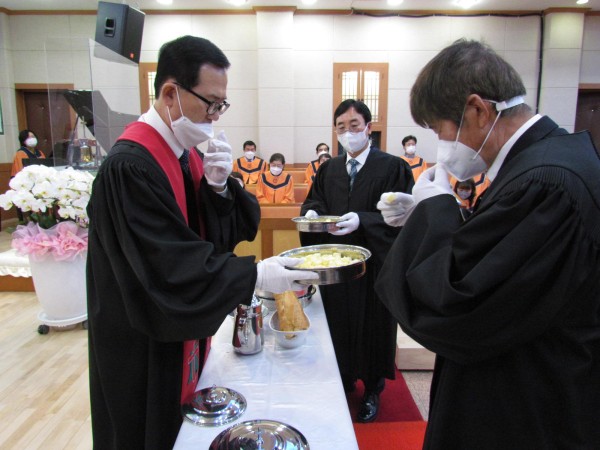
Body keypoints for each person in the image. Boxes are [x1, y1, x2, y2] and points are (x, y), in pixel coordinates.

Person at [86, 35, 316, 450]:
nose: (215, 116)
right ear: (170, 93)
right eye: (210, 103)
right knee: (148, 427)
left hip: (176, 330)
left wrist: (219, 189)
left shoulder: (186, 154)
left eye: (221, 105)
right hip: (142, 335)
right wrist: (254, 275)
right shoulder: (130, 166)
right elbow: (166, 264)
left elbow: (212, 234)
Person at [375, 39, 600, 448]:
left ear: (478, 110)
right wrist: (432, 217)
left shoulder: (546, 184)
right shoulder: (545, 160)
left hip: (526, 405)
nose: (440, 145)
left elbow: (461, 303)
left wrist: (435, 212)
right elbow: (505, 259)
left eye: (439, 129)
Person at [300, 99, 414, 423]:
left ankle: (372, 389)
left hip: (373, 267)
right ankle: (344, 378)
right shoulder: (329, 169)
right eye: (341, 127)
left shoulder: (393, 167)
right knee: (337, 323)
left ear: (368, 127)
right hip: (337, 266)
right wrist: (313, 214)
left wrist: (363, 220)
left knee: (372, 327)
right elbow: (315, 200)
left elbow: (402, 217)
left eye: (354, 126)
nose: (347, 133)